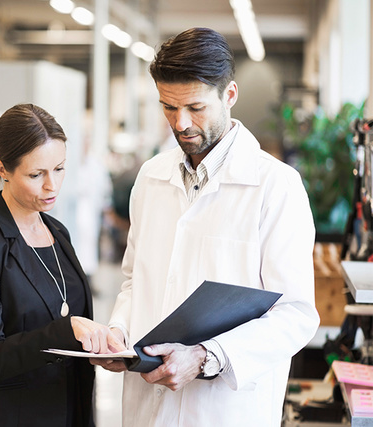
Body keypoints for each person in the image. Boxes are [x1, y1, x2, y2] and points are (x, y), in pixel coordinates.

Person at [92, 27, 320, 427]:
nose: (180, 124)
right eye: (168, 108)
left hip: (224, 411)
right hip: (148, 405)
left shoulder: (275, 186)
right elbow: (134, 281)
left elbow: (296, 314)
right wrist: (119, 332)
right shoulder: (150, 178)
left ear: (229, 95)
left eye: (196, 108)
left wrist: (204, 357)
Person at [0, 103, 124, 427]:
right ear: (3, 169)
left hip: (66, 411)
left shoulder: (58, 233)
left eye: (59, 169)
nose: (52, 185)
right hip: (5, 416)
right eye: (36, 174)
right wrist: (65, 333)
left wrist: (100, 347)